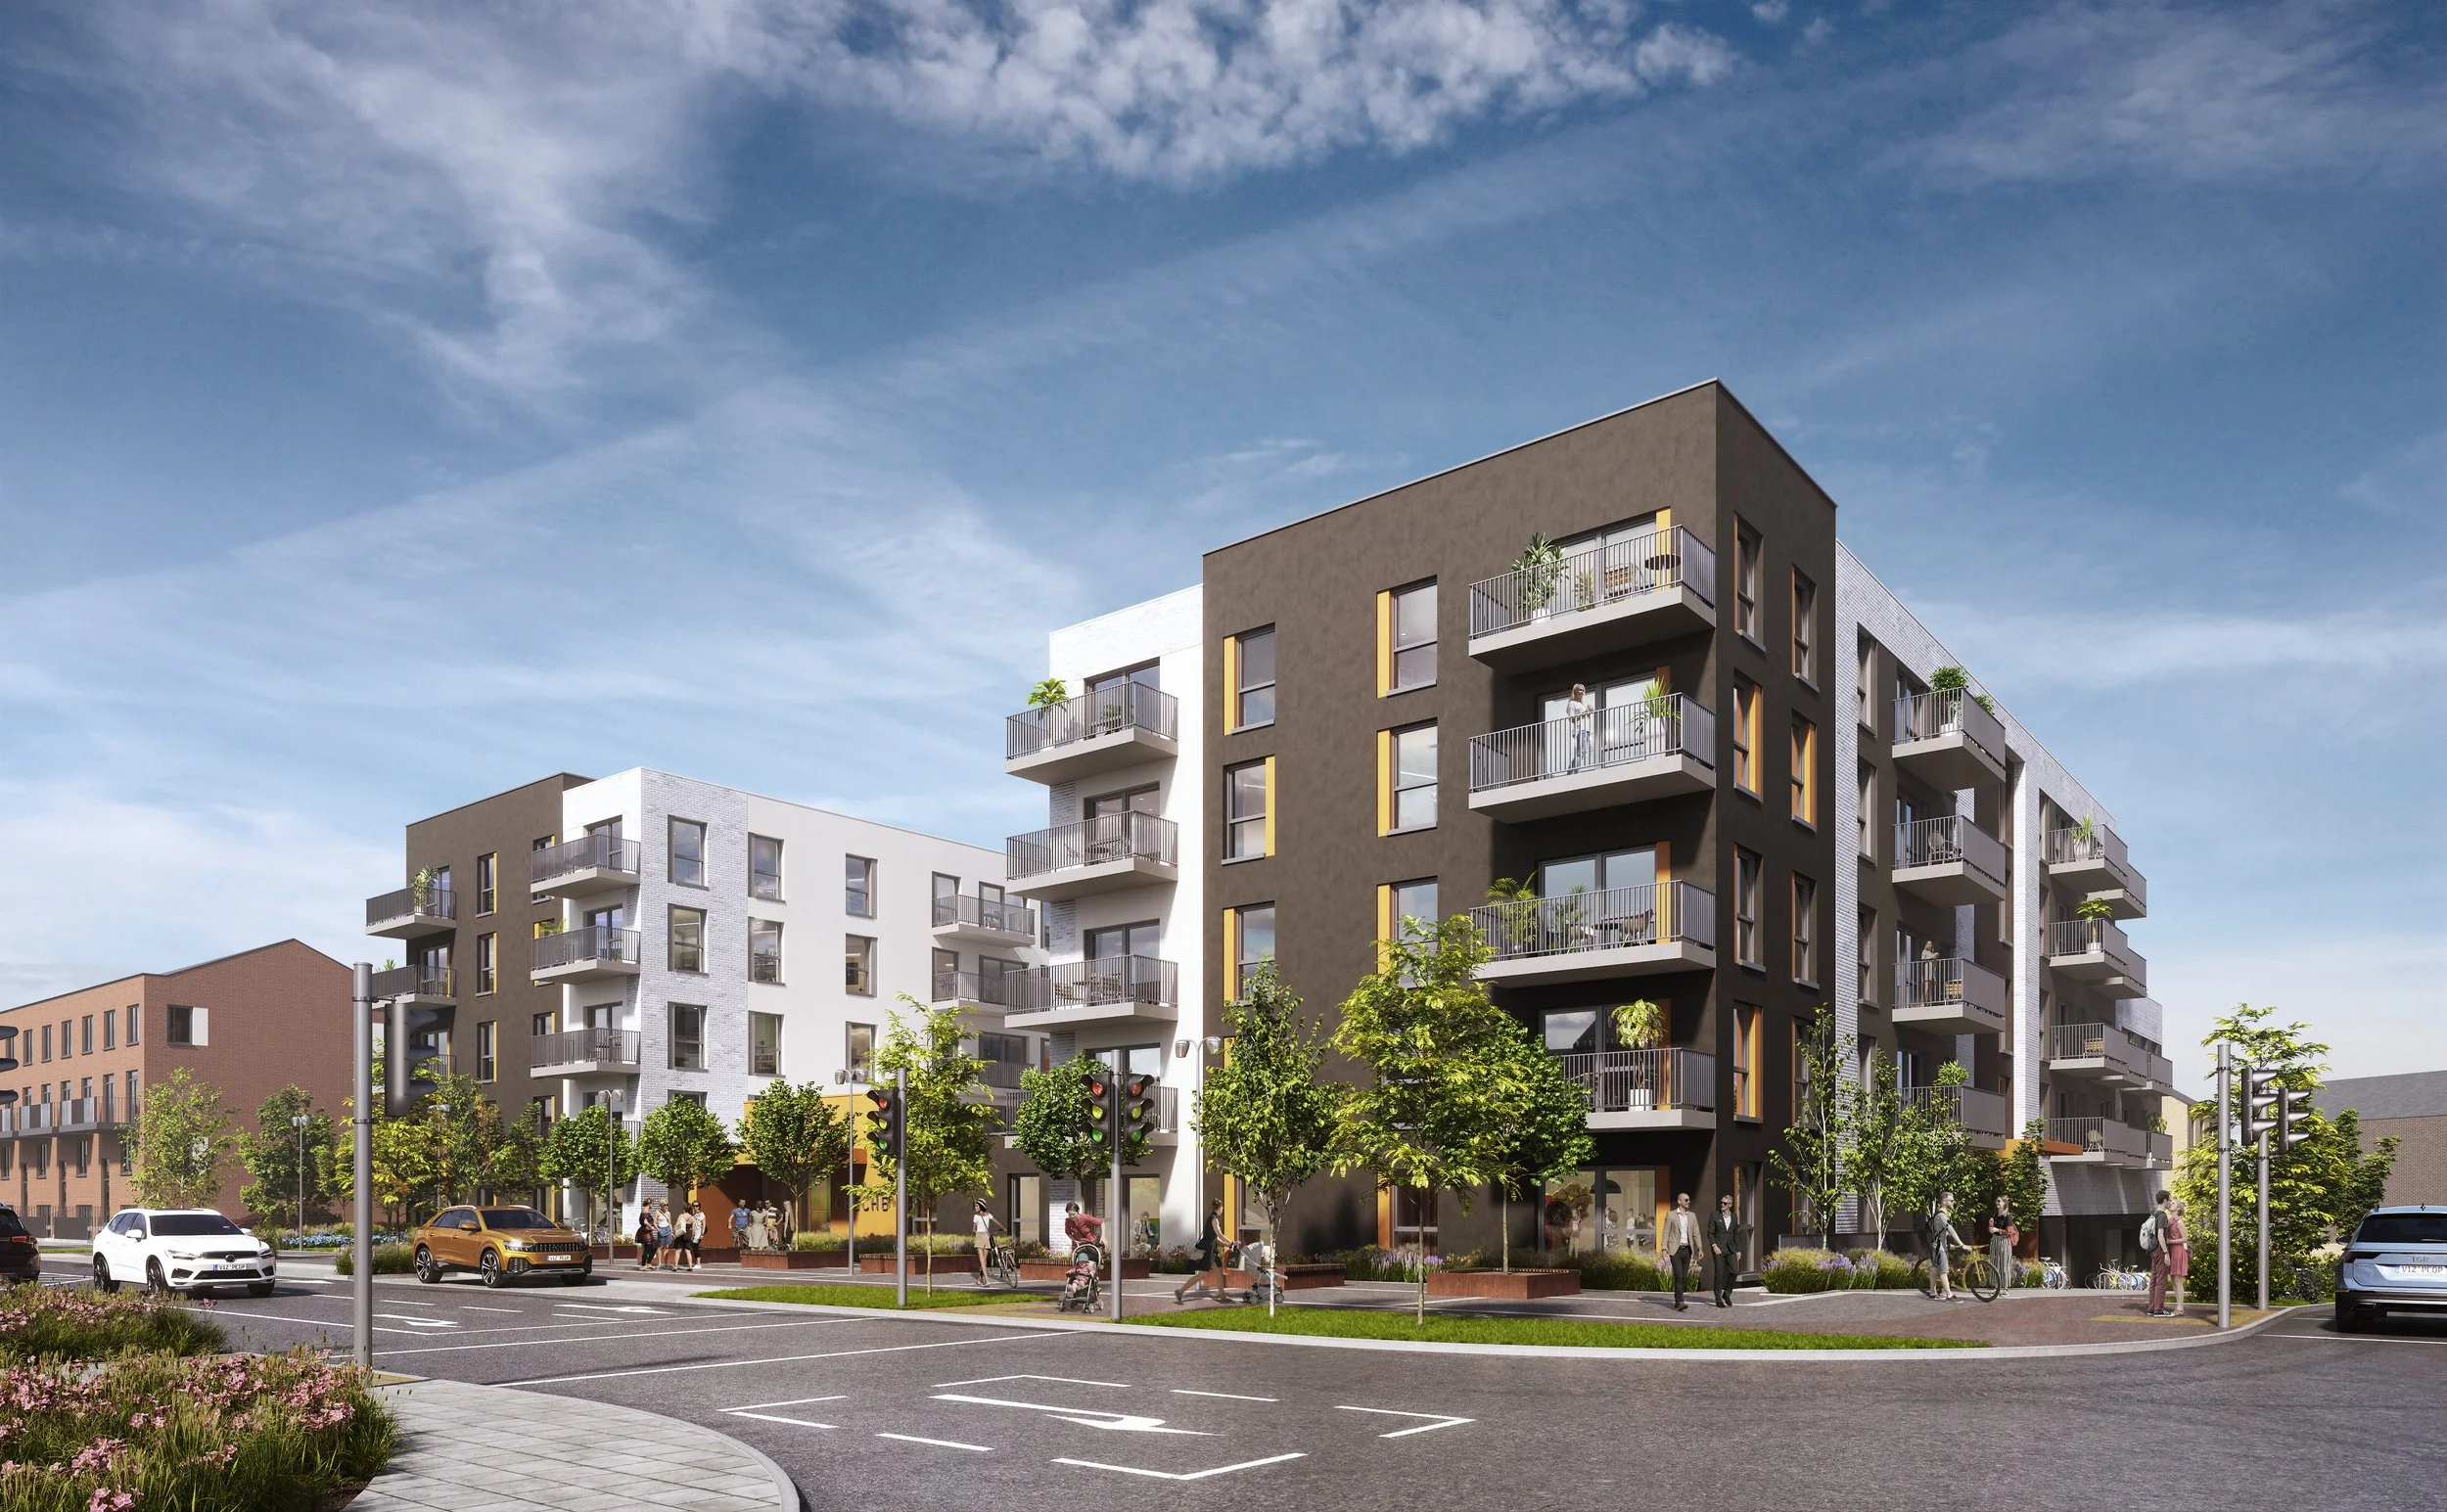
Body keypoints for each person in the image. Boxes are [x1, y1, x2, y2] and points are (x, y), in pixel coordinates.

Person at [1176, 1198, 1226, 1305]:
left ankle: (1222, 1295)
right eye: (1222, 1208)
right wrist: (1231, 1243)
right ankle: (1180, 1292)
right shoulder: (1214, 1219)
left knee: (1218, 1270)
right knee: (1202, 1274)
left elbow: (1215, 1238)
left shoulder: (1212, 1218)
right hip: (1208, 1250)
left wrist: (1228, 1244)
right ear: (1220, 1208)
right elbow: (1219, 1235)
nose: (1223, 1209)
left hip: (1212, 1250)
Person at [1660, 1192, 1702, 1311]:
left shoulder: (1692, 1216)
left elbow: (1696, 1232)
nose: (1688, 1202)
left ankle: (1677, 1299)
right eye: (1686, 1200)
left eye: (1689, 1200)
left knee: (1683, 1277)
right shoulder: (1671, 1215)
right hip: (1675, 1250)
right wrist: (1664, 1248)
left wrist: (1699, 1247)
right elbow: (1665, 1232)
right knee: (1678, 1275)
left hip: (1687, 1250)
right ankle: (1680, 1301)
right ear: (1679, 1201)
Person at [1928, 1193, 1969, 1302]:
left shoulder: (1942, 1214)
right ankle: (1949, 1295)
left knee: (1934, 1268)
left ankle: (1933, 1293)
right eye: (1951, 1200)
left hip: (1937, 1245)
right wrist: (1962, 1245)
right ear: (1944, 1201)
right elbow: (1950, 1230)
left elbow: (1942, 1232)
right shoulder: (1941, 1215)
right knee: (1943, 1271)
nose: (1953, 1202)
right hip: (1939, 1248)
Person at [1708, 1193, 1745, 1307]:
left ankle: (1727, 1293)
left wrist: (1738, 1250)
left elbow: (1736, 1234)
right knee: (1719, 1274)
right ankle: (1718, 1299)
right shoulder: (1715, 1216)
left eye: (1725, 1203)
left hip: (1730, 1249)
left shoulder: (1734, 1217)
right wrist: (1714, 1246)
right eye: (1721, 1202)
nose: (1722, 1204)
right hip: (1718, 1249)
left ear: (1729, 1205)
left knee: (1735, 1271)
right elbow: (1710, 1233)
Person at [2144, 1189, 2174, 1316]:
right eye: (2170, 1200)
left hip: (2153, 1251)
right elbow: (2160, 1235)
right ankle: (2159, 1310)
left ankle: (2152, 1308)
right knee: (2161, 1281)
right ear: (2165, 1200)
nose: (2170, 1202)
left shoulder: (2154, 1214)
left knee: (2154, 1281)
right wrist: (2166, 1253)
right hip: (2161, 1252)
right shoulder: (2162, 1216)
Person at [2165, 1198, 2192, 1317]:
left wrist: (2170, 1241)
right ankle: (2178, 1306)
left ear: (2178, 1208)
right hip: (2172, 1252)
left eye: (2174, 1203)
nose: (2171, 1204)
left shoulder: (2179, 1222)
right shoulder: (2170, 1220)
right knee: (2174, 1281)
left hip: (2178, 1252)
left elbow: (2185, 1239)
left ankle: (2180, 1308)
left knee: (2178, 1281)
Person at [1988, 1196, 2018, 1295]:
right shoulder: (1995, 1215)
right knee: (1994, 1263)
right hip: (1995, 1241)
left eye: (1999, 1201)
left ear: (2004, 1203)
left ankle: (2005, 1288)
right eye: (1996, 1201)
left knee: (2004, 1265)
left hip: (2004, 1242)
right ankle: (1995, 1287)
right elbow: (1993, 1228)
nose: (1997, 1203)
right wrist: (1991, 1229)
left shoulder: (2007, 1216)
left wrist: (1997, 1230)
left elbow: (2010, 1232)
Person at [1563, 683, 1593, 773]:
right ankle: (1576, 773)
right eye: (1580, 690)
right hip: (1580, 730)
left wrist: (1589, 711)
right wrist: (1584, 713)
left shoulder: (1581, 704)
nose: (1582, 692)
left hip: (1587, 730)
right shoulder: (1572, 704)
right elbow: (1572, 719)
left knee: (1582, 753)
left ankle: (1570, 772)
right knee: (1580, 753)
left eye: (1583, 690)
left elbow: (1585, 717)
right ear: (1575, 691)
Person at [972, 1199, 1001, 1280]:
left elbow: (973, 1230)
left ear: (981, 1206)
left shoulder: (985, 1215)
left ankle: (983, 1280)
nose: (975, 1208)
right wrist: (1002, 1228)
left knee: (983, 1260)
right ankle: (983, 1279)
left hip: (983, 1237)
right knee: (983, 1261)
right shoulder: (978, 1216)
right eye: (975, 1206)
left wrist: (1002, 1228)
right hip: (984, 1236)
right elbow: (997, 1222)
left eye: (977, 1206)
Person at [633, 1206, 658, 1271]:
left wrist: (656, 1228)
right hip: (645, 1233)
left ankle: (648, 1264)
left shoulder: (645, 1211)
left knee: (654, 1246)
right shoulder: (645, 1211)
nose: (652, 1206)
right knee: (648, 1248)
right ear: (649, 1204)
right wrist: (651, 1226)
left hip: (648, 1232)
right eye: (652, 1204)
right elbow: (645, 1222)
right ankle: (643, 1265)